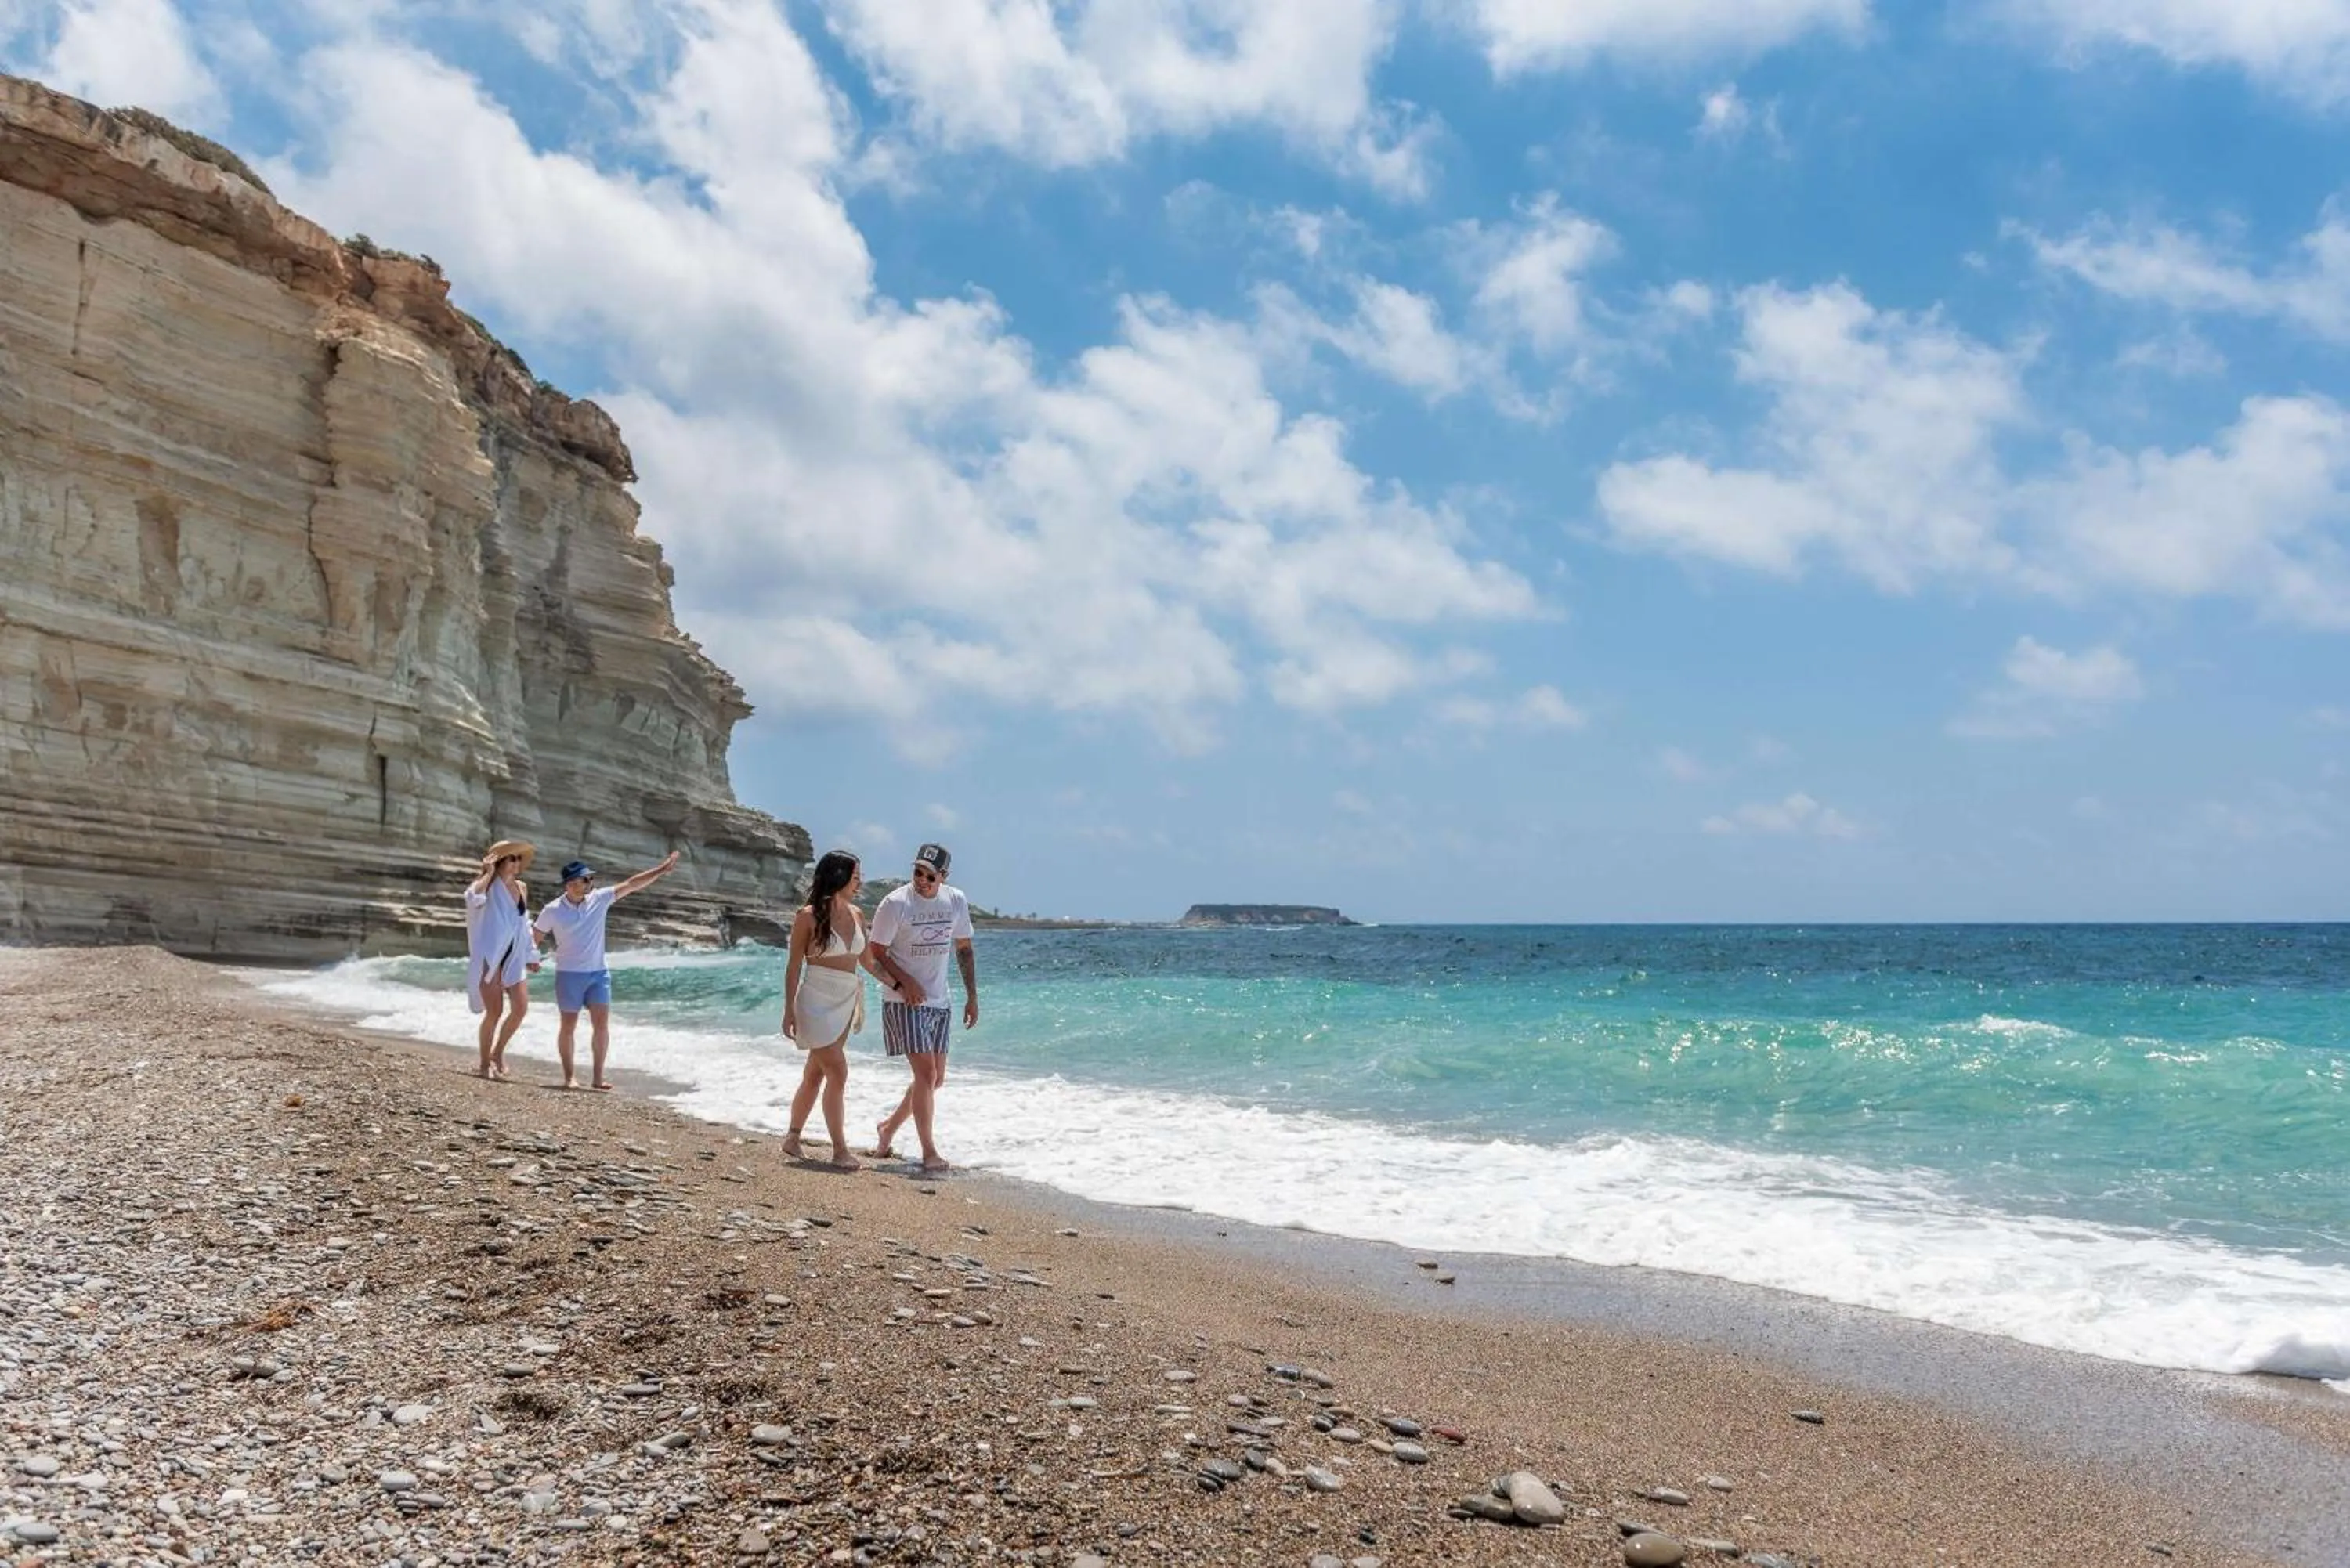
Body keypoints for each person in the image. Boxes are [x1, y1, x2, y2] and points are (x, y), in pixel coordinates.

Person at [531, 849, 681, 1090]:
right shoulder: (553, 910)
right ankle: (569, 1076)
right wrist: (531, 958)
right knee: (568, 1026)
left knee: (601, 1026)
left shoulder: (599, 899)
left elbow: (632, 884)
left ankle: (598, 1078)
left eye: (591, 879)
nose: (591, 883)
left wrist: (661, 870)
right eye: (586, 879)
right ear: (571, 884)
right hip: (569, 976)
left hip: (599, 975)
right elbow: (535, 937)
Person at [869, 843, 978, 1172]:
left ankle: (888, 1127)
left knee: (935, 1079)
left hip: (939, 1000)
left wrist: (973, 996)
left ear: (943, 876)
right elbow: (876, 951)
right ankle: (929, 1152)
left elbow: (964, 948)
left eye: (930, 875)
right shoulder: (895, 904)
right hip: (903, 1000)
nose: (922, 880)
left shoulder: (955, 900)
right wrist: (904, 984)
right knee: (925, 1073)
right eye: (917, 872)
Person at [779, 849, 884, 1170]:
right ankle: (840, 1149)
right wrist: (789, 1010)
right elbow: (794, 965)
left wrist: (900, 985)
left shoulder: (856, 914)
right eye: (855, 877)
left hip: (846, 1000)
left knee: (815, 1074)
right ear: (839, 877)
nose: (859, 883)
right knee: (837, 1071)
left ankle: (793, 1138)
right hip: (815, 1001)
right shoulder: (807, 916)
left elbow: (868, 962)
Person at [463, 839, 539, 1081]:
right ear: (500, 862)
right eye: (512, 858)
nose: (517, 863)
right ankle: (485, 1064)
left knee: (520, 1009)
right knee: (494, 1012)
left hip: (514, 957)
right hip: (490, 956)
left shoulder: (522, 888)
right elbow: (472, 899)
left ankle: (498, 1053)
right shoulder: (486, 886)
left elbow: (524, 924)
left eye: (519, 858)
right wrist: (488, 873)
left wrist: (531, 954)